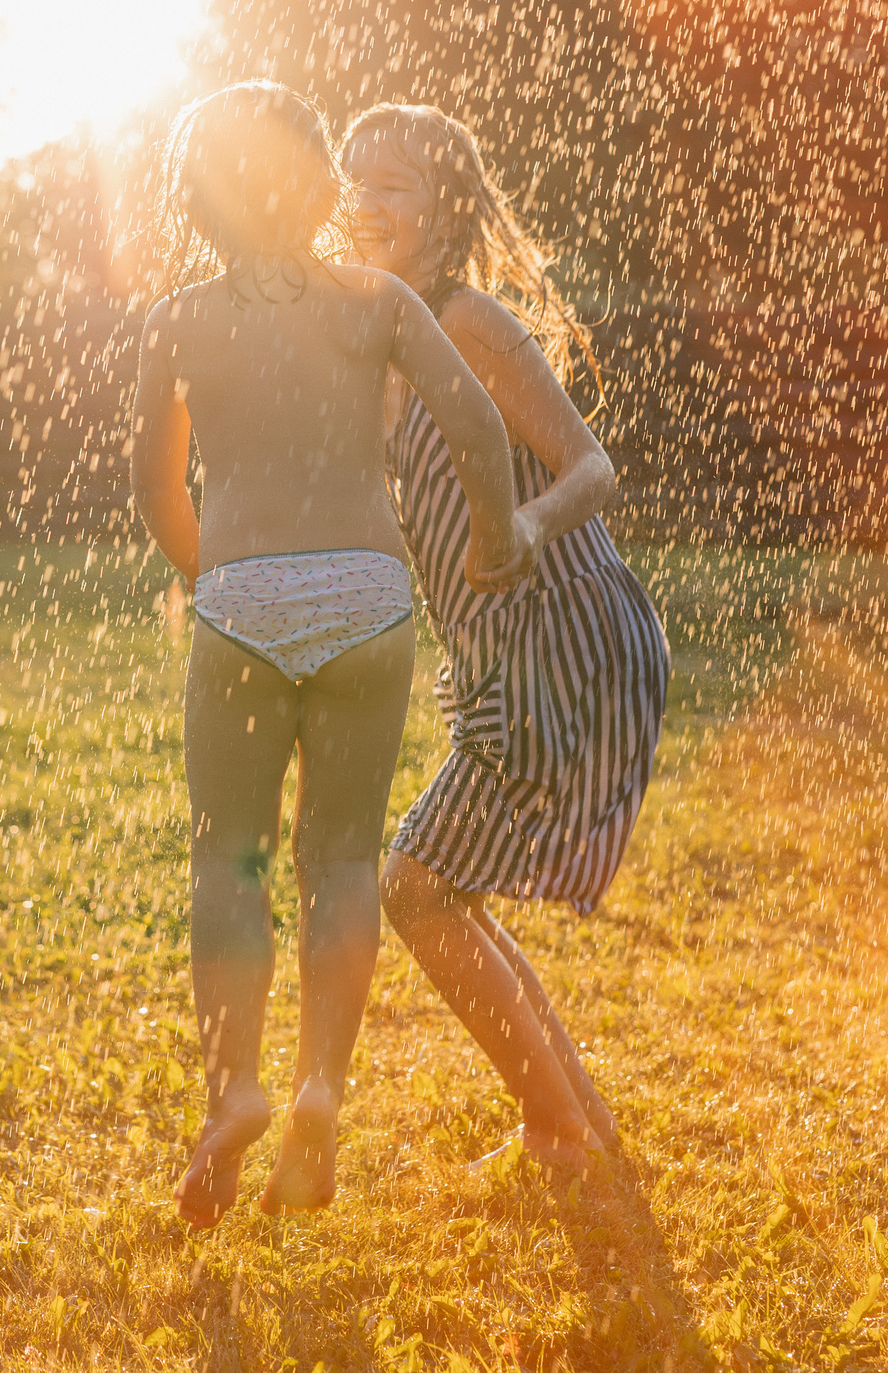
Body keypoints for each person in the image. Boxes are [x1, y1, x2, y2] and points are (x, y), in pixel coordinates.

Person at [131, 82, 525, 1225]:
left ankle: (233, 1090)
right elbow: (477, 429)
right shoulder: (376, 300)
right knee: (342, 859)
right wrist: (497, 544)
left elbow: (155, 491)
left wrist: (217, 575)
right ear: (321, 188)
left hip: (243, 593)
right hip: (366, 595)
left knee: (231, 863)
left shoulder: (180, 321)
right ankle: (320, 1086)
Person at [343, 102, 670, 1174]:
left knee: (416, 887)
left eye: (392, 183)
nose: (365, 202)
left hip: (564, 628)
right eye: (353, 181)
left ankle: (559, 1132)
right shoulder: (375, 341)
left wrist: (524, 524)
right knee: (437, 887)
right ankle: (573, 1126)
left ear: (444, 208)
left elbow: (594, 468)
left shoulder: (467, 322)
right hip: (501, 653)